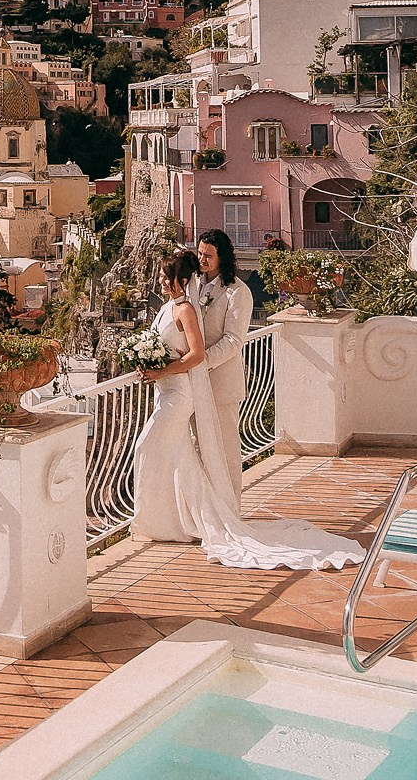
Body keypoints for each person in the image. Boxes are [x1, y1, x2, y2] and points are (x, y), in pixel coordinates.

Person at [129, 252, 358, 570]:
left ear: (181, 281)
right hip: (164, 392)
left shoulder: (186, 309)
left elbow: (196, 355)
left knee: (147, 448)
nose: (161, 281)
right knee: (177, 458)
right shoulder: (168, 307)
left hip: (178, 395)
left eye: (166, 277)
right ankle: (171, 522)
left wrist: (163, 371)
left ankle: (184, 521)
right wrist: (148, 362)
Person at [189, 228, 252, 504]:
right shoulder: (194, 285)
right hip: (195, 384)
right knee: (198, 446)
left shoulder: (238, 292)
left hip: (221, 383)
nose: (202, 259)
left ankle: (231, 508)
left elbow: (233, 340)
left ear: (222, 258)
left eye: (208, 255)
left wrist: (202, 363)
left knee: (226, 449)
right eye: (200, 253)